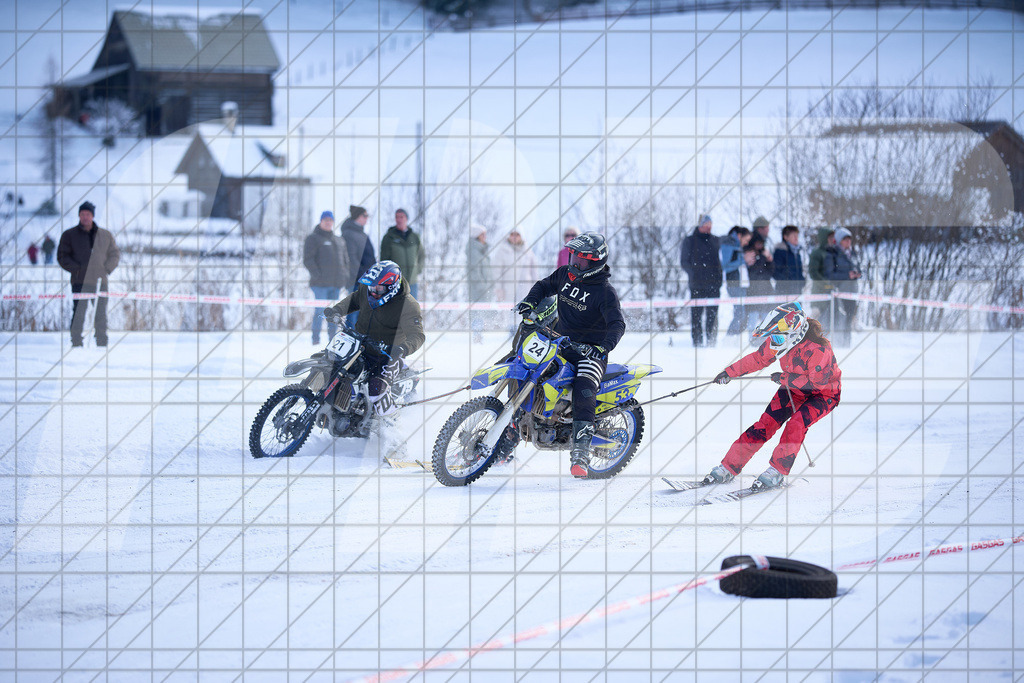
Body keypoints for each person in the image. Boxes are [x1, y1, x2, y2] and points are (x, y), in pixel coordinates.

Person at [518, 232, 625, 478]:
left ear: (596, 262)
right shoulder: (565, 275)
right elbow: (543, 286)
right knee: (524, 367)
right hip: (560, 341)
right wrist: (530, 302)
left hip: (590, 352)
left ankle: (581, 453)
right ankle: (508, 434)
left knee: (584, 388)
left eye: (581, 260)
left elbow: (617, 324)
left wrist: (603, 347)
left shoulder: (605, 292)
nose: (575, 263)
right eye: (573, 256)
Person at [705, 302, 842, 490]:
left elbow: (816, 383)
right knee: (764, 424)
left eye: (777, 337)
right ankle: (728, 467)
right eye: (773, 337)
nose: (774, 342)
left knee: (796, 424)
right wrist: (729, 372)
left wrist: (784, 378)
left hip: (823, 394)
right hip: (793, 389)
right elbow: (757, 359)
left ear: (795, 333)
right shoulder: (781, 340)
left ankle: (777, 472)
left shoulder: (819, 349)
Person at [324, 260, 424, 417]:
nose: (373, 291)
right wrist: (337, 310)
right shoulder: (368, 288)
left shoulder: (408, 305)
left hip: (387, 355)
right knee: (331, 363)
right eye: (371, 287)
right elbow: (354, 299)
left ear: (392, 286)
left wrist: (402, 349)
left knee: (376, 389)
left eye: (378, 288)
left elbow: (417, 335)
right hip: (360, 345)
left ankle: (391, 423)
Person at [57, 201, 121, 347]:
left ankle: (101, 342)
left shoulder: (105, 235)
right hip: (79, 281)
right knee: (79, 312)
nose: (85, 217)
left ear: (92, 216)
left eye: (88, 214)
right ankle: (76, 342)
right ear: (79, 215)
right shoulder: (69, 235)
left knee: (100, 314)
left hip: (100, 281)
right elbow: (62, 256)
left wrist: (107, 269)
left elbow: (115, 254)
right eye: (83, 214)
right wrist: (77, 269)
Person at [303, 210, 350, 345]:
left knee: (334, 313)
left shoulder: (338, 240)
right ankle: (315, 340)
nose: (328, 222)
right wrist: (318, 275)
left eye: (330, 220)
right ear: (321, 221)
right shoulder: (313, 238)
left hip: (336, 284)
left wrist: (345, 276)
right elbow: (308, 260)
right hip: (320, 284)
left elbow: (346, 260)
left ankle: (332, 339)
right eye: (326, 220)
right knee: (320, 310)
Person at [679, 214, 722, 347]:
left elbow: (719, 261)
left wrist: (719, 279)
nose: (709, 227)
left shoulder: (715, 240)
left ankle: (711, 342)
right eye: (706, 224)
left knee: (712, 315)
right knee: (696, 315)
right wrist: (694, 275)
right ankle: (697, 342)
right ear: (700, 225)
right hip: (697, 285)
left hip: (714, 285)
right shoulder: (690, 241)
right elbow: (684, 262)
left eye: (710, 224)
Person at [493, 228, 540, 334]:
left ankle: (522, 331)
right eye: (512, 234)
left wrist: (537, 288)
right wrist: (499, 288)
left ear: (521, 236)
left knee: (524, 309)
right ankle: (512, 332)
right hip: (508, 287)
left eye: (517, 235)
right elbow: (497, 272)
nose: (514, 237)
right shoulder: (502, 250)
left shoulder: (527, 251)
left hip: (526, 287)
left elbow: (534, 271)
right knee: (510, 311)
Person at [340, 205, 377, 327]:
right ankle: (350, 334)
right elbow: (351, 259)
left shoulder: (361, 233)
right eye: (364, 216)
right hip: (357, 279)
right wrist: (363, 277)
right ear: (357, 216)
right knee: (354, 310)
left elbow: (369, 257)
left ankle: (357, 334)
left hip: (366, 279)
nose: (367, 218)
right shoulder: (349, 234)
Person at [824, 227, 862, 347]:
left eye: (849, 239)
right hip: (838, 292)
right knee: (839, 319)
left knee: (849, 319)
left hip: (852, 291)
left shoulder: (853, 254)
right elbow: (830, 275)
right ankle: (837, 345)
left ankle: (846, 345)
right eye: (845, 239)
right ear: (839, 241)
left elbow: (858, 267)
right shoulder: (832, 254)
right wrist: (847, 275)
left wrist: (857, 273)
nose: (848, 242)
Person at [379, 208, 425, 299]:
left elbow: (421, 255)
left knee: (412, 306)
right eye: (397, 217)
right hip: (396, 282)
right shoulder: (389, 237)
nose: (399, 219)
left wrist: (418, 270)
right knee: (397, 306)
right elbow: (384, 260)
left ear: (406, 219)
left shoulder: (414, 237)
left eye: (401, 217)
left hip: (412, 282)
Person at [721, 226, 751, 335]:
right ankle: (730, 337)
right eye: (746, 240)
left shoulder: (737, 246)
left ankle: (735, 338)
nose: (747, 243)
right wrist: (743, 260)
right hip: (733, 284)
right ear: (739, 235)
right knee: (739, 314)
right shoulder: (728, 244)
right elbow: (726, 266)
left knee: (743, 315)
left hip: (742, 284)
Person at [466, 223, 492, 343]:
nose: (485, 237)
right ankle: (477, 335)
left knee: (481, 312)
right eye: (482, 234)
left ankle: (479, 334)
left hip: (484, 288)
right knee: (477, 312)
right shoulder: (474, 251)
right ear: (476, 236)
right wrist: (482, 286)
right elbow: (474, 272)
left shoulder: (481, 250)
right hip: (478, 289)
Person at [743, 243, 774, 330]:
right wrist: (762, 258)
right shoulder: (749, 260)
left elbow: (769, 274)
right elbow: (754, 274)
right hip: (753, 297)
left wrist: (770, 261)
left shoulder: (762, 260)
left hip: (765, 294)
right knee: (752, 322)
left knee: (767, 323)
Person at [808, 228, 835, 326]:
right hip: (818, 293)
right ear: (824, 238)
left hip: (829, 294)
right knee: (814, 321)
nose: (832, 240)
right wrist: (826, 284)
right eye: (830, 238)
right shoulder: (816, 253)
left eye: (832, 238)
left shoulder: (831, 253)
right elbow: (813, 273)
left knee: (827, 323)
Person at [772, 225, 805, 297]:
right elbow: (775, 271)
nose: (796, 238)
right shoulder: (780, 251)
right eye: (793, 235)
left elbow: (799, 271)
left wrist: (802, 281)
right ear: (785, 237)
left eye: (797, 235)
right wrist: (787, 282)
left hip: (797, 291)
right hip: (784, 292)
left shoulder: (797, 252)